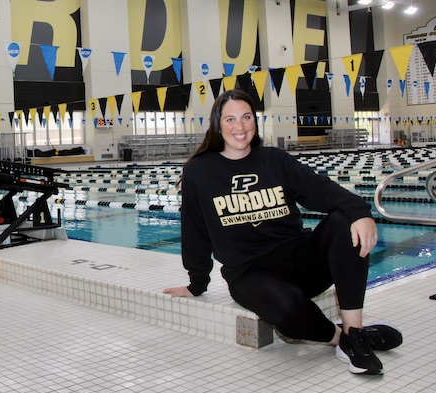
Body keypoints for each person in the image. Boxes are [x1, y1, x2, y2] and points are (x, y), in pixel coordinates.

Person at [163, 89, 402, 375]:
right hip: (249, 273)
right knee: (288, 313)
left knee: (343, 219)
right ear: (217, 124)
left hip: (298, 261)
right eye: (230, 119)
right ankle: (344, 339)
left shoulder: (274, 160)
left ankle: (356, 331)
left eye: (246, 117)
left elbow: (320, 190)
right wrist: (196, 282)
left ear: (255, 120)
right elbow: (195, 228)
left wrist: (360, 212)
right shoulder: (200, 171)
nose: (240, 127)